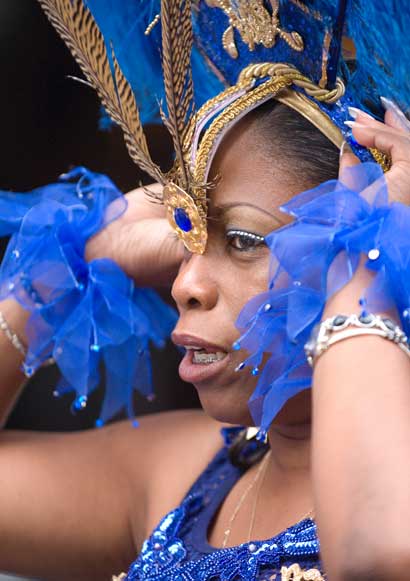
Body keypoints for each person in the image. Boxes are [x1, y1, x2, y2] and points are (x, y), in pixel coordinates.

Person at [0, 1, 409, 580]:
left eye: (242, 239)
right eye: (188, 234)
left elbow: (373, 554)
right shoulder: (186, 476)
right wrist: (78, 263)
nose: (185, 284)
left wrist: (370, 262)